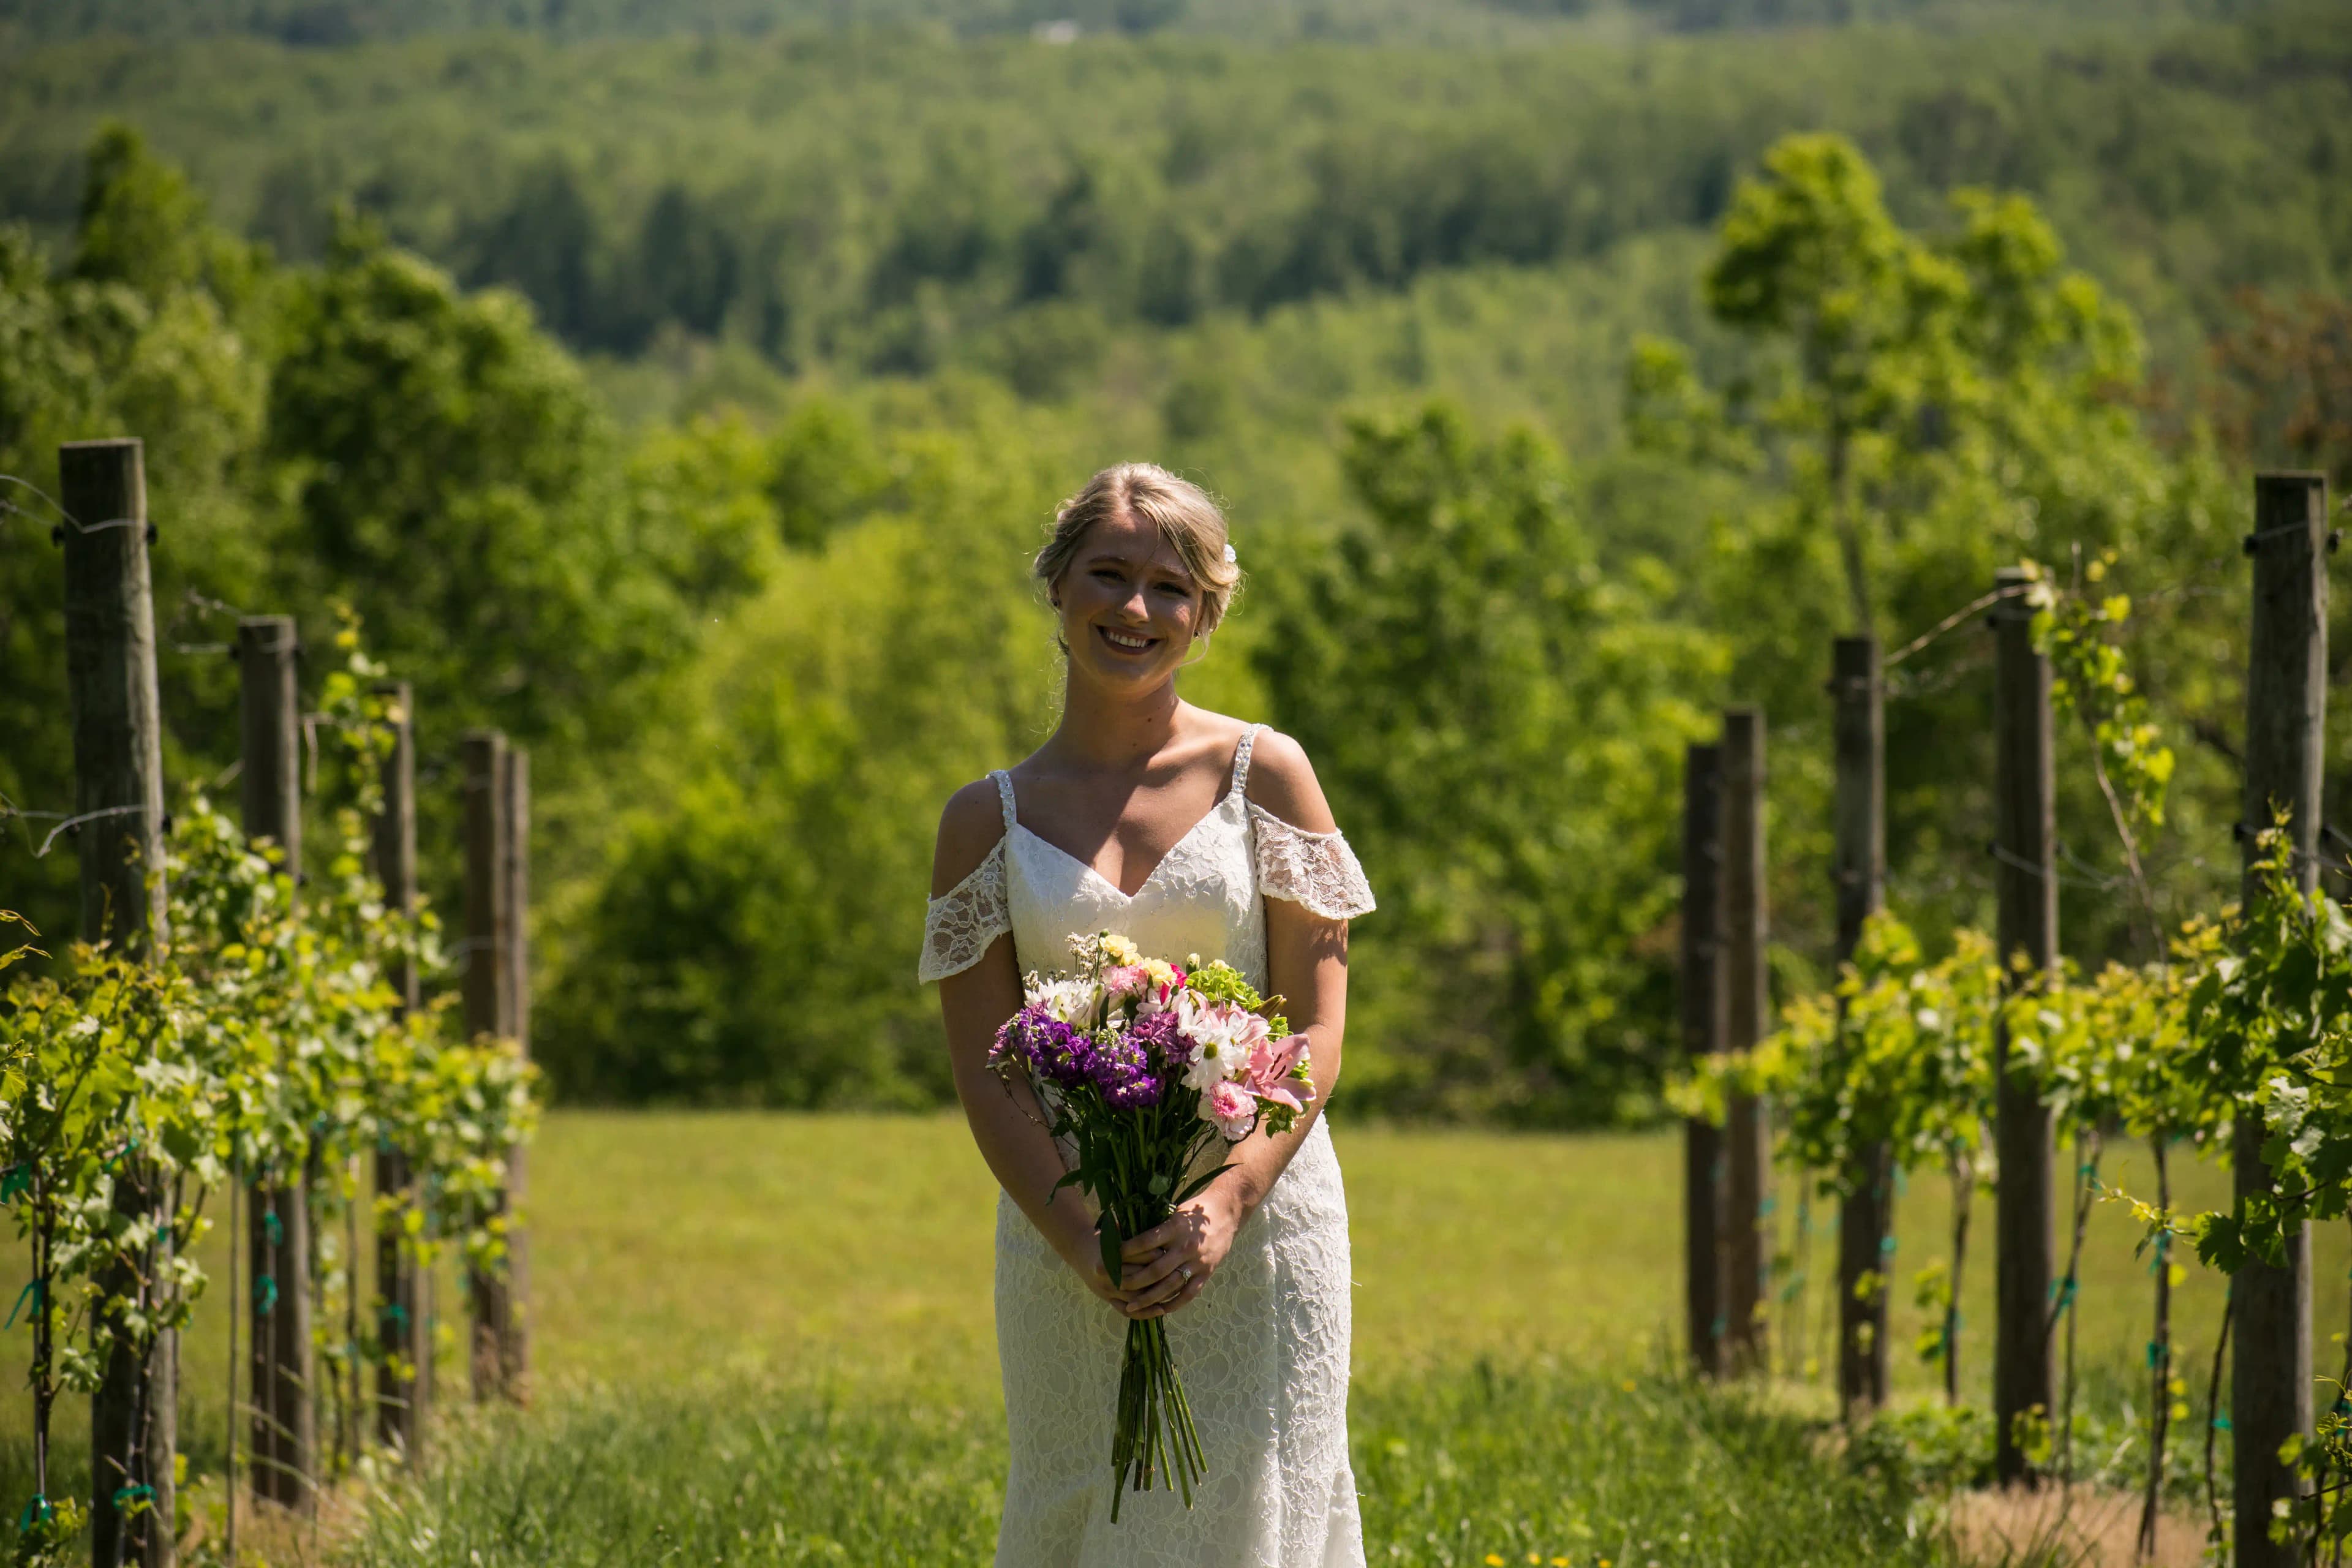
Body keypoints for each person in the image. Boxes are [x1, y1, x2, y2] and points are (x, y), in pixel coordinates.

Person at [919, 463, 1378, 1566]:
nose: (1135, 609)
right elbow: (989, 1071)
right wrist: (1085, 1238)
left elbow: (1314, 1027)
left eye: (1171, 587)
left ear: (1207, 612)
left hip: (1262, 1230)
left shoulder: (1269, 775)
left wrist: (1224, 1203)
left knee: (1256, 1511)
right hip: (1067, 1239)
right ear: (1057, 588)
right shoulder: (984, 821)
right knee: (1084, 1508)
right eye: (1109, 575)